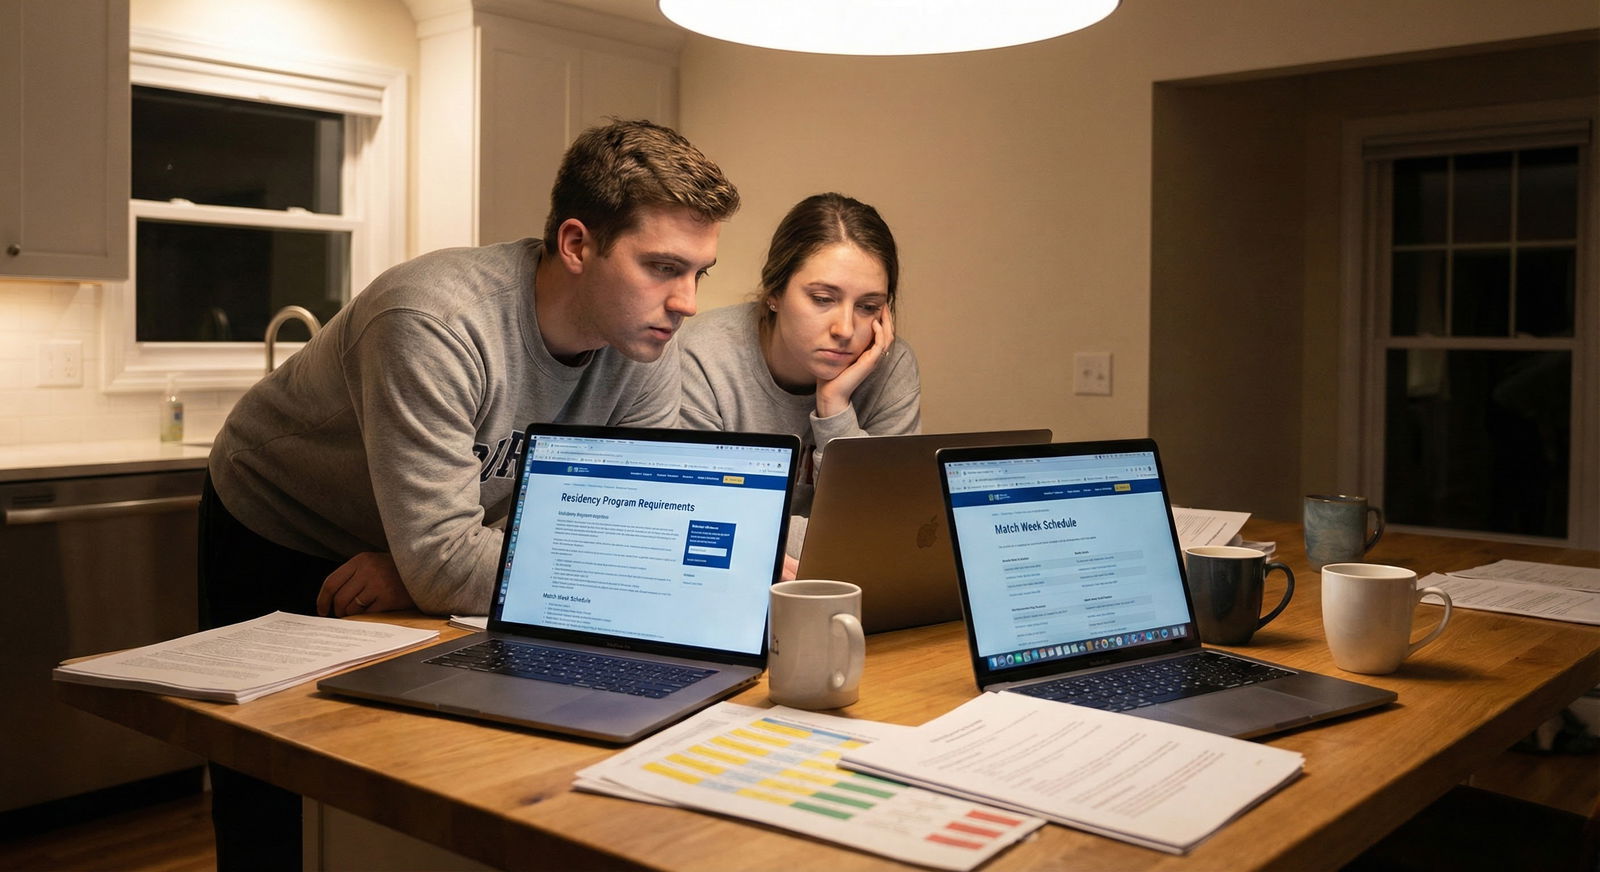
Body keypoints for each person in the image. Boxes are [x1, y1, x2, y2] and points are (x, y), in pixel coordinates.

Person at [198, 119, 738, 870]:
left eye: (698, 274)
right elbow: (587, 548)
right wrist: (440, 560)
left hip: (435, 531)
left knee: (413, 758)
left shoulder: (640, 343)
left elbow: (628, 522)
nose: (684, 302)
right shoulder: (435, 322)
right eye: (662, 267)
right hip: (282, 517)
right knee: (272, 776)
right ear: (578, 244)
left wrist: (424, 562)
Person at [677, 192, 921, 558]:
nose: (845, 328)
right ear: (774, 291)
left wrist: (835, 408)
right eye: (823, 299)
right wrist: (843, 540)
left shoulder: (891, 367)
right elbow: (697, 521)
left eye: (868, 307)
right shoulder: (700, 356)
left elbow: (890, 530)